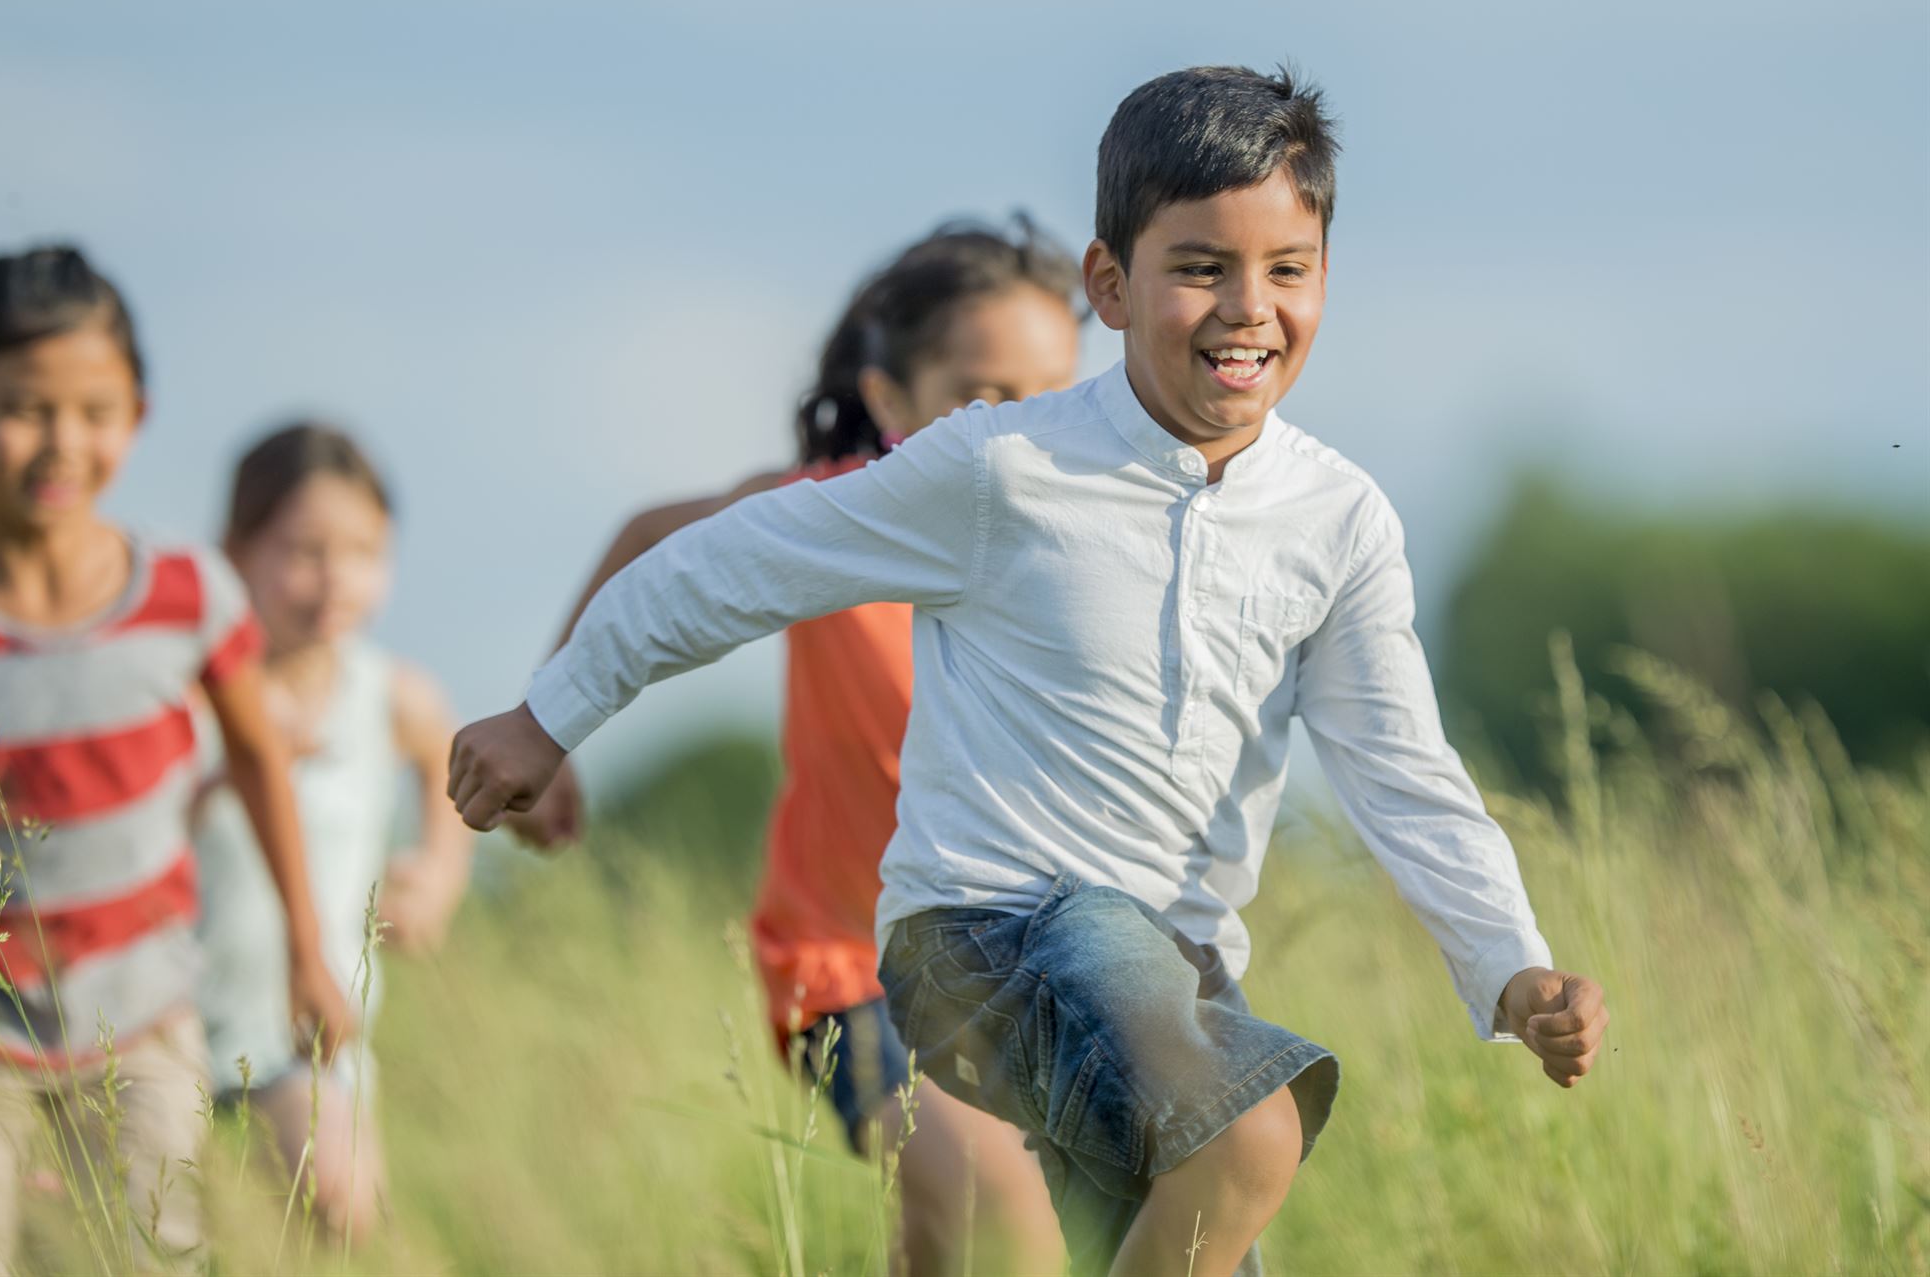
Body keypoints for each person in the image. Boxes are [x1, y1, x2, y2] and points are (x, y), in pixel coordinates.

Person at [448, 66, 1611, 1277]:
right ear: (1109, 285)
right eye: (1199, 267)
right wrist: (550, 713)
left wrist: (1509, 966)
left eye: (1286, 270)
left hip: (1173, 978)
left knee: (1200, 1223)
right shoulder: (1003, 469)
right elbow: (737, 560)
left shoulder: (1338, 521)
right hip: (988, 933)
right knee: (1252, 1133)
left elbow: (1403, 775)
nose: (1246, 309)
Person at [528, 220, 1079, 1273]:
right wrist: (551, 731)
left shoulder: (1086, 545)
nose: (1018, 427)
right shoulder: (829, 516)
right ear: (889, 402)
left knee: (952, 1239)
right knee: (993, 1207)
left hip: (1024, 967)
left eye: (1047, 394)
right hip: (844, 971)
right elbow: (653, 538)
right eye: (982, 392)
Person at [0, 246, 351, 1274]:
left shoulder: (187, 595)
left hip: (140, 1024)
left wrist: (306, 954)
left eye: (95, 410)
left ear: (136, 413)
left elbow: (261, 761)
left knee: (149, 1258)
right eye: (21, 408)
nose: (60, 443)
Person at [194, 421, 473, 1244]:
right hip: (170, 1018)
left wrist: (440, 869)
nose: (334, 579)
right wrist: (225, 774)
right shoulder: (194, 692)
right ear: (235, 550)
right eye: (304, 551)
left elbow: (448, 762)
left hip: (312, 1030)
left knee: (342, 1207)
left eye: (362, 551)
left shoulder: (388, 692)